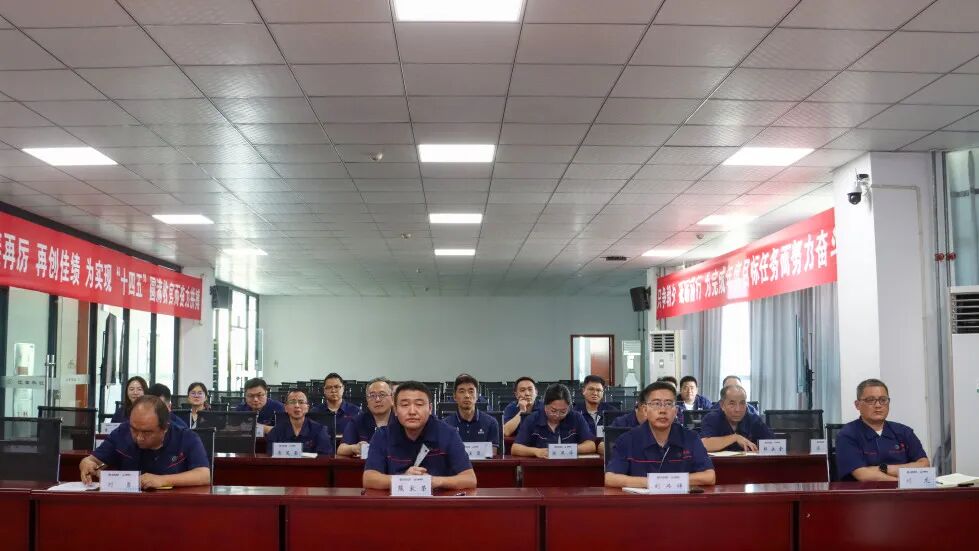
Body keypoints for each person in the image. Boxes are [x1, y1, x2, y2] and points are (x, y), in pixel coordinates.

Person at [363, 381, 477, 490]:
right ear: (396, 410)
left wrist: (436, 481)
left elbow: (470, 479)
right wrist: (403, 479)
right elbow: (369, 478)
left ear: (430, 409)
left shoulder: (448, 434)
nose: (412, 411)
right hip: (397, 501)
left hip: (437, 500)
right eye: (405, 405)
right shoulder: (382, 436)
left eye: (419, 404)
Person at [80, 396, 210, 489]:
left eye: (147, 432)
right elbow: (92, 460)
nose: (139, 437)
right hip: (128, 504)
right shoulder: (122, 432)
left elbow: (204, 475)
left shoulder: (186, 437)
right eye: (134, 430)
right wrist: (86, 464)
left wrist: (163, 480)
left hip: (172, 505)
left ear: (165, 428)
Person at [605, 381, 715, 487]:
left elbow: (709, 476)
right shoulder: (627, 440)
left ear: (676, 411)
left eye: (668, 404)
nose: (662, 410)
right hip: (642, 499)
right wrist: (653, 483)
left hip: (679, 499)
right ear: (645, 410)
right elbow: (610, 478)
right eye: (656, 404)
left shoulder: (691, 438)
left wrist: (666, 481)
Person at [835, 378, 929, 481]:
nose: (878, 405)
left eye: (883, 400)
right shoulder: (847, 434)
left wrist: (883, 468)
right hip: (865, 491)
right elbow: (863, 475)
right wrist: (903, 481)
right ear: (857, 405)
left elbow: (924, 465)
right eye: (870, 400)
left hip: (905, 490)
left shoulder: (904, 432)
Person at [511, 384, 596, 457]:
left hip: (570, 466)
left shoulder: (576, 417)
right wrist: (536, 451)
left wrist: (567, 449)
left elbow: (591, 445)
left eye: (563, 411)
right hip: (541, 466)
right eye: (553, 410)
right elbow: (515, 448)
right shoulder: (532, 419)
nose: (557, 415)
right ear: (545, 405)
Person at [700, 384, 775, 452]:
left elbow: (773, 443)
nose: (738, 409)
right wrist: (735, 438)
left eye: (742, 403)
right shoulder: (712, 418)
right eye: (732, 404)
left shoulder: (754, 420)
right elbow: (704, 444)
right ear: (722, 405)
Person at [443, 373, 500, 455]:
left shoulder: (491, 423)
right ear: (455, 396)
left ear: (477, 396)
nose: (467, 395)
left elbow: (493, 454)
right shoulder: (445, 424)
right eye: (462, 391)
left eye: (471, 391)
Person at [337, 377, 394, 457]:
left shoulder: (401, 421)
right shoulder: (358, 421)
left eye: (382, 395)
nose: (377, 399)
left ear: (392, 399)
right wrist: (354, 448)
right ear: (367, 401)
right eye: (372, 396)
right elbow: (341, 449)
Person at [266, 389, 334, 456]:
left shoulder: (320, 430)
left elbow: (325, 456)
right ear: (286, 408)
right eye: (292, 402)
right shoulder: (276, 432)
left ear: (307, 408)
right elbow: (271, 456)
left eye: (301, 402)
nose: (297, 406)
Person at [311, 372, 361, 437]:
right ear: (324, 390)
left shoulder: (356, 412)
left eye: (337, 387)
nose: (333, 390)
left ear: (343, 388)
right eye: (329, 387)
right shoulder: (315, 412)